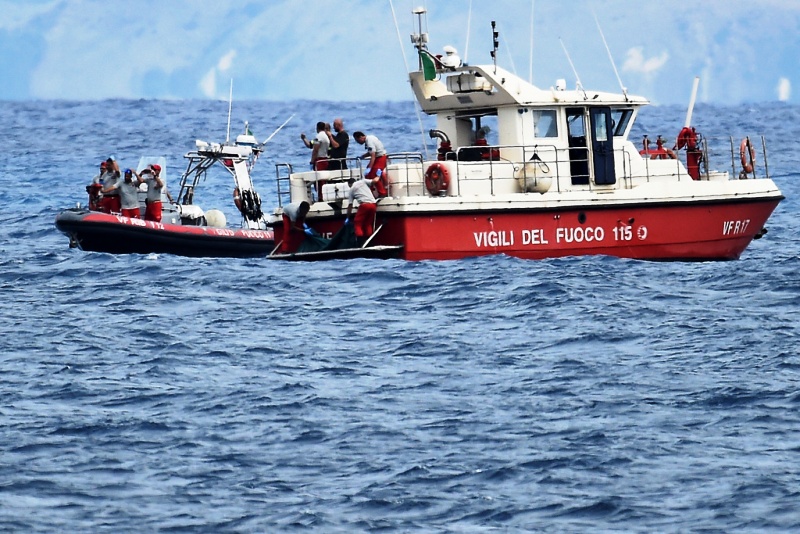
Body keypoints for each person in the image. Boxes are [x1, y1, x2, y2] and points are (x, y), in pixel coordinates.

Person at [353, 131, 388, 197]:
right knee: (367, 175)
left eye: (357, 140)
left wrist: (370, 168)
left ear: (361, 137)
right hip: (378, 157)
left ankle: (382, 193)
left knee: (374, 175)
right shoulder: (369, 138)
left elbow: (373, 156)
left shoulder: (369, 141)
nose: (358, 142)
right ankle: (371, 191)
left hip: (381, 158)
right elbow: (371, 152)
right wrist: (363, 156)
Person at [345, 176, 378, 247]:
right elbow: (375, 181)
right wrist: (378, 175)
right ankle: (370, 242)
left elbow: (350, 205)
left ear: (350, 184)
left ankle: (360, 243)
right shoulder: (363, 181)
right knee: (368, 224)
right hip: (373, 204)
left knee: (357, 223)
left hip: (364, 205)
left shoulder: (351, 190)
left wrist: (347, 217)